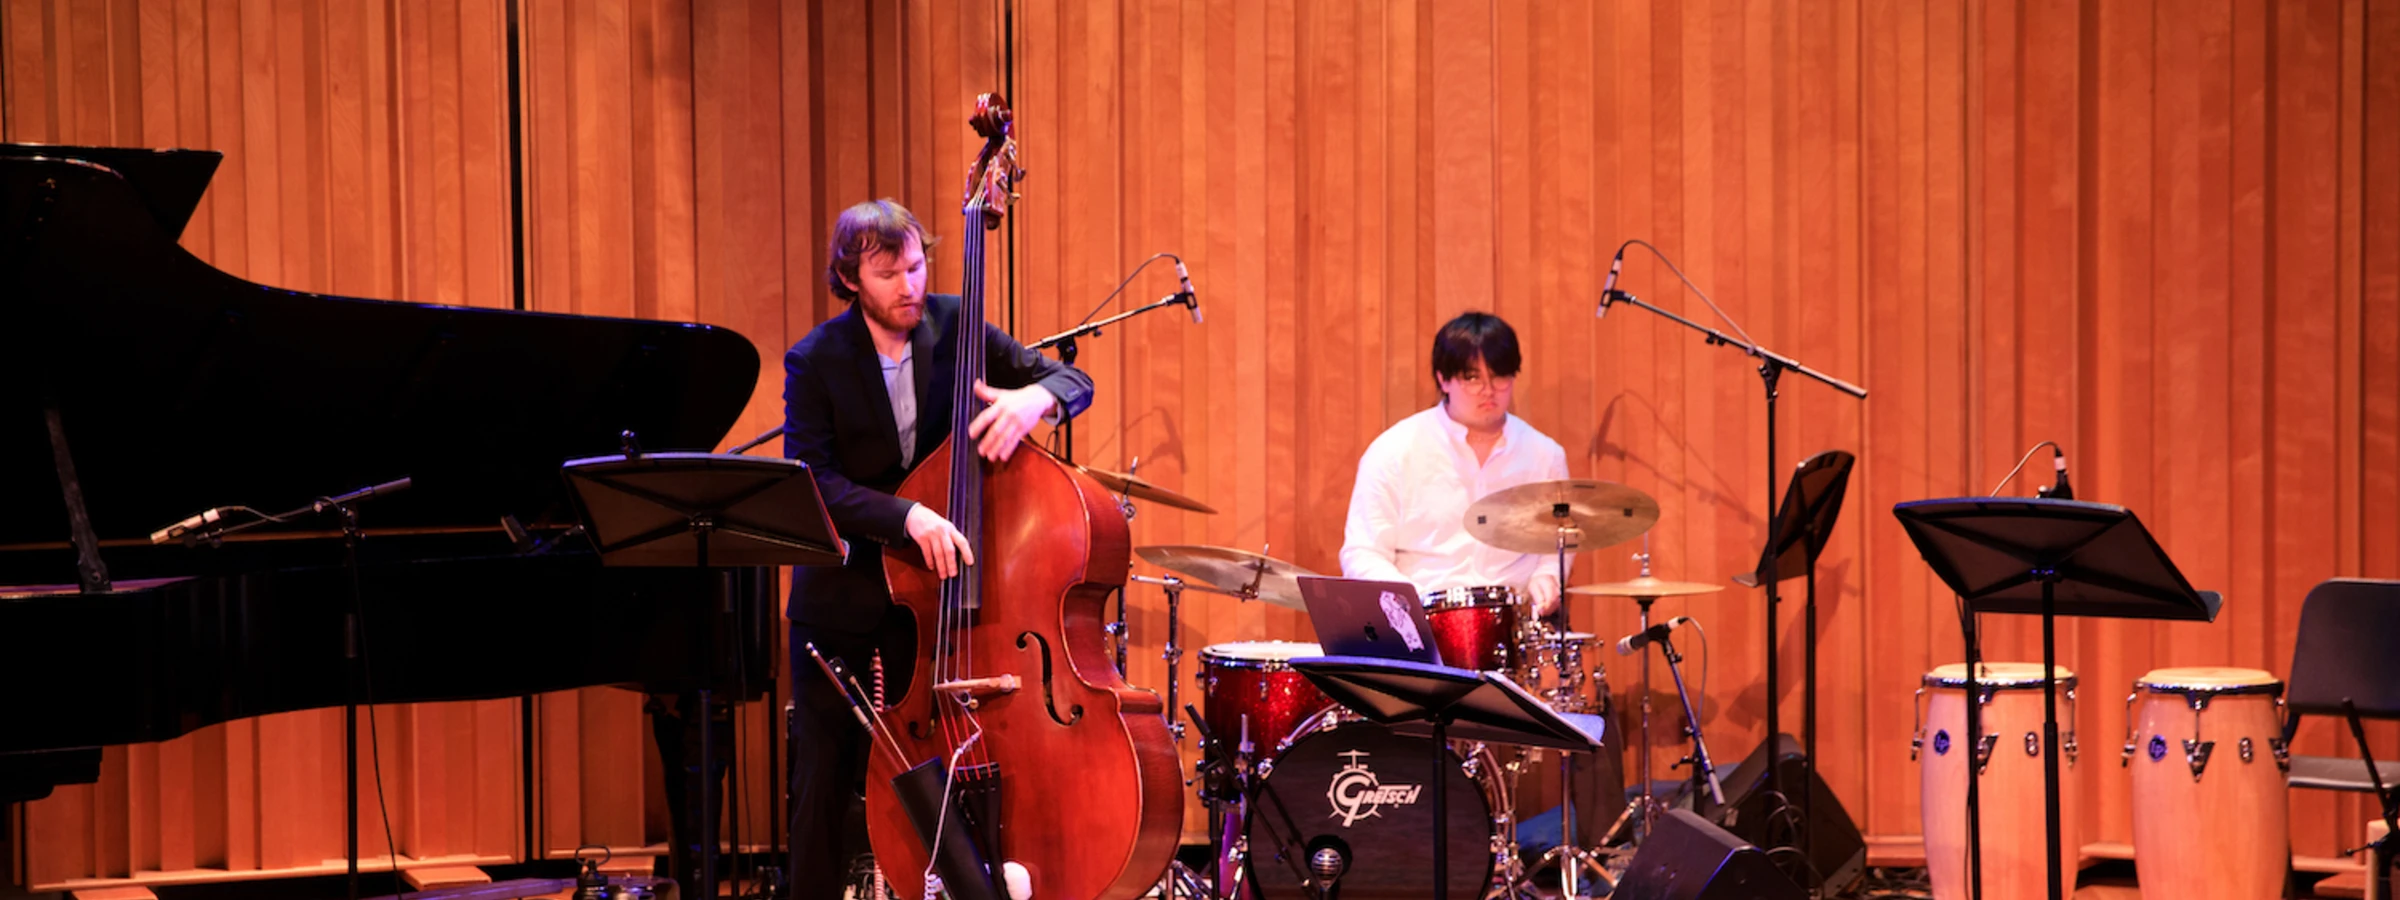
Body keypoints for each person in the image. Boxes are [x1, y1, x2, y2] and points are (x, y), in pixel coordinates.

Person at [781, 199, 1092, 900]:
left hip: (935, 601)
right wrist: (907, 514)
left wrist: (1036, 399)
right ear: (850, 277)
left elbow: (1076, 381)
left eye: (917, 266)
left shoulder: (957, 326)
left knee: (944, 772)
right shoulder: (816, 360)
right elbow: (814, 483)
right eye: (888, 272)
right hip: (845, 603)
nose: (909, 286)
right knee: (824, 784)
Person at [1339, 311, 1572, 618]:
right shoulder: (1393, 451)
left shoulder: (1544, 455)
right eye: (1473, 378)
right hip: (1422, 622)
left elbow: (1559, 541)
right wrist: (1410, 604)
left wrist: (1548, 577)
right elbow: (1363, 552)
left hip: (1513, 625)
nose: (1489, 390)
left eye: (1499, 376)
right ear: (1443, 379)